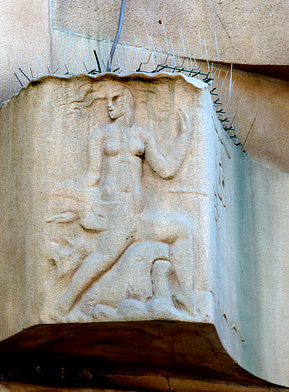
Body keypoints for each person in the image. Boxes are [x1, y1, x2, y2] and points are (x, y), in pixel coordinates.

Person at [52, 81, 196, 318]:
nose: (110, 106)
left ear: (128, 102)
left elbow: (167, 169)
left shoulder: (142, 135)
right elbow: (91, 177)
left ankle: (186, 298)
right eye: (106, 101)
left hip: (135, 217)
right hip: (115, 213)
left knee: (183, 229)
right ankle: (63, 304)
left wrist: (184, 136)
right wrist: (87, 210)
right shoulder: (100, 135)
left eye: (115, 99)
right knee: (102, 258)